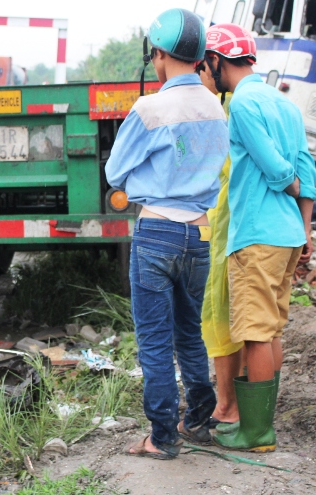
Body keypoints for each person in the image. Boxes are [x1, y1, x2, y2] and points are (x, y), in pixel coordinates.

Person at [105, 8, 229, 460]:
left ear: (157, 54)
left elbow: (115, 173)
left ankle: (161, 437)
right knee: (189, 333)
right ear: (199, 58)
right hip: (199, 235)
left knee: (155, 342)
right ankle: (197, 418)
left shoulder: (150, 108)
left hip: (156, 231)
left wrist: (148, 178)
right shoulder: (214, 106)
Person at [201, 24, 316, 452]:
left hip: (257, 234)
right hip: (287, 234)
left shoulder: (243, 104)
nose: (204, 74)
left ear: (216, 60)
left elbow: (279, 168)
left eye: (205, 65)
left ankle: (257, 432)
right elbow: (308, 168)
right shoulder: (285, 104)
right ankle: (259, 423)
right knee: (270, 331)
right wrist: (305, 226)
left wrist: (287, 183)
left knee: (253, 332)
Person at [194, 50, 245, 429]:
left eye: (201, 69)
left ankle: (227, 405)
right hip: (232, 222)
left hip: (221, 223)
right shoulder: (238, 106)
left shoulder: (225, 111)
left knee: (216, 313)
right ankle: (239, 402)